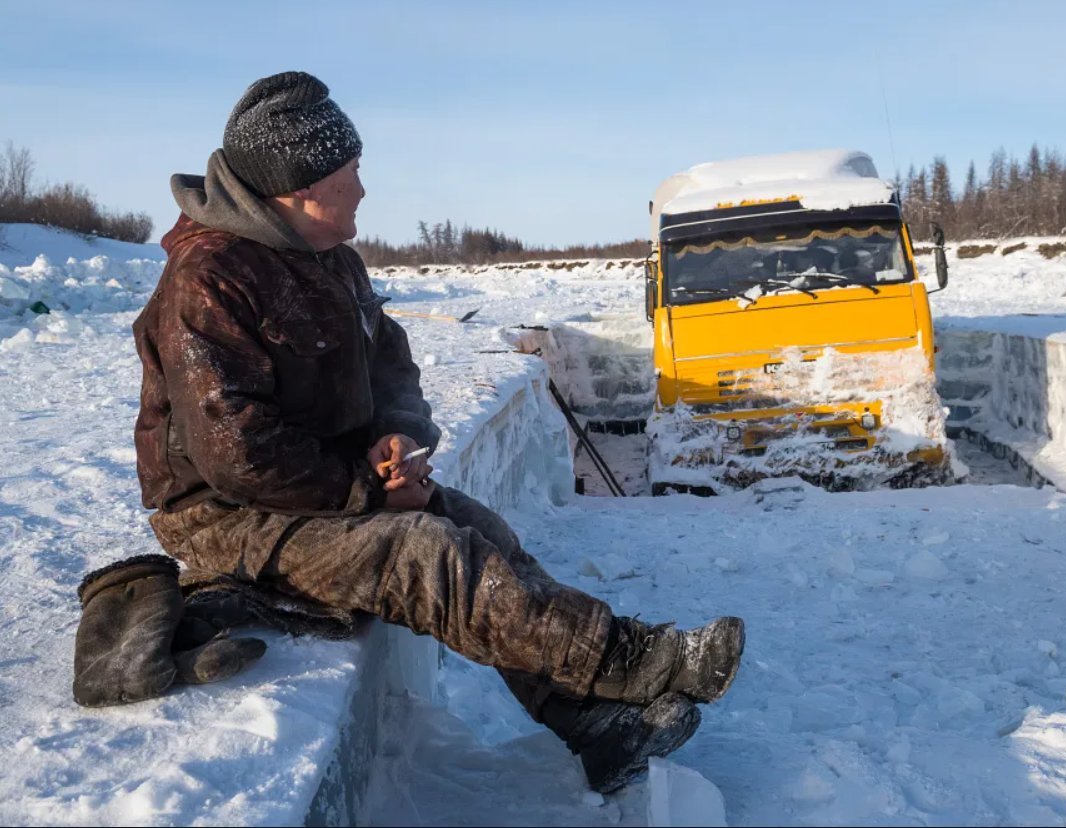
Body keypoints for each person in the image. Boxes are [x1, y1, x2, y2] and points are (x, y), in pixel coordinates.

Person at [119, 71, 744, 794]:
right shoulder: (209, 279)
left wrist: (394, 438)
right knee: (428, 555)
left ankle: (590, 722)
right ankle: (628, 660)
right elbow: (235, 450)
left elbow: (390, 363)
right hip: (227, 519)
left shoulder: (333, 261)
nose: (362, 188)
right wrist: (364, 492)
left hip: (317, 486)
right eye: (351, 173)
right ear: (299, 189)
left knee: (478, 527)